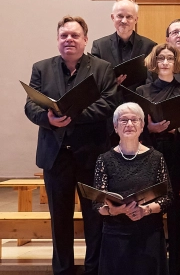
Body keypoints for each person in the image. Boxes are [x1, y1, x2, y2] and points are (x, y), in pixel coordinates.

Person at [24, 16, 118, 275]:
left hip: (91, 156)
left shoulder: (101, 68)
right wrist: (49, 118)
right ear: (57, 40)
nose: (69, 40)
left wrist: (73, 114)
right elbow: (31, 106)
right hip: (55, 157)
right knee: (60, 220)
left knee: (94, 219)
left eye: (75, 35)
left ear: (85, 40)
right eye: (64, 35)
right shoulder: (41, 68)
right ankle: (62, 270)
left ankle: (94, 269)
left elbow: (109, 104)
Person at [136, 43, 180, 275]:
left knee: (179, 215)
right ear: (154, 62)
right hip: (151, 157)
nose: (165, 62)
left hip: (178, 156)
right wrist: (149, 128)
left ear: (176, 62)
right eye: (160, 58)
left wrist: (176, 130)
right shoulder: (143, 92)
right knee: (151, 214)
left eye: (169, 58)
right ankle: (153, 267)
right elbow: (133, 126)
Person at [93, 102, 172, 275]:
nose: (129, 124)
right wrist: (114, 210)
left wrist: (146, 210)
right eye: (123, 120)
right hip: (115, 235)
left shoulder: (156, 158)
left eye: (135, 120)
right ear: (115, 126)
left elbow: (167, 198)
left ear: (142, 125)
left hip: (149, 234)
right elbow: (97, 204)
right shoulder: (104, 160)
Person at [91, 0, 157, 88]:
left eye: (129, 17)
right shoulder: (99, 46)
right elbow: (95, 79)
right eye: (120, 16)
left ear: (136, 19)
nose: (124, 21)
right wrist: (112, 83)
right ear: (112, 17)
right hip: (110, 100)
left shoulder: (150, 46)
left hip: (139, 100)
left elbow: (152, 80)